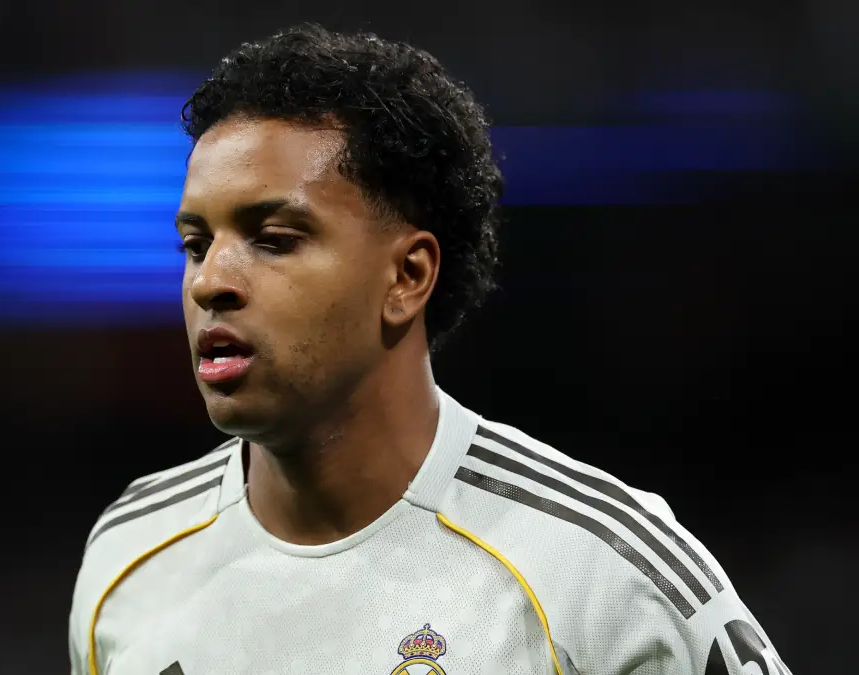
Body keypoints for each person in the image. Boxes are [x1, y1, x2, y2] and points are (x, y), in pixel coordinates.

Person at [68, 24, 791, 675]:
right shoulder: (126, 559)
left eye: (273, 239)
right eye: (196, 244)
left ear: (407, 276)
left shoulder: (603, 571)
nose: (210, 282)